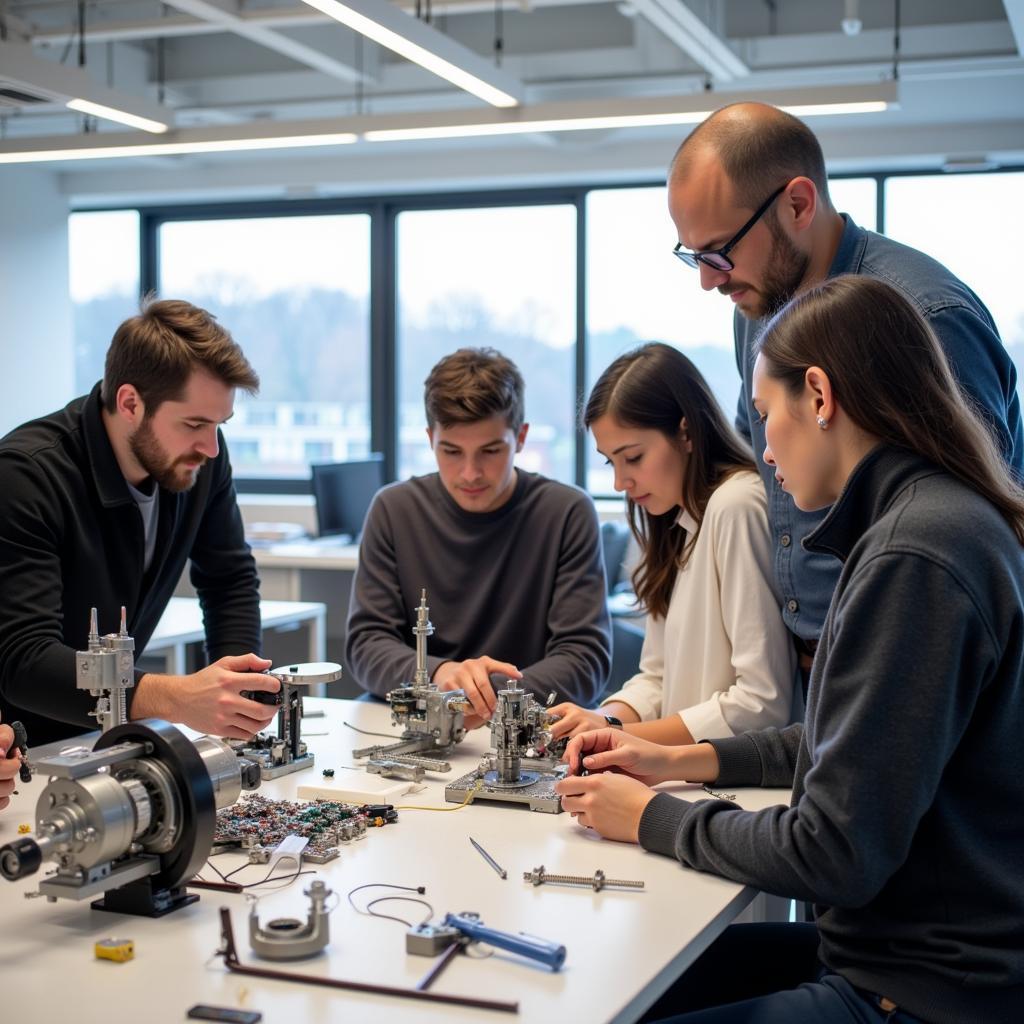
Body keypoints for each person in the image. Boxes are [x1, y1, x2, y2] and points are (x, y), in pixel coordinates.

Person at [556, 275, 1024, 1022]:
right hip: (889, 956)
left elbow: (832, 851)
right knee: (608, 981)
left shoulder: (917, 554)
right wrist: (671, 759)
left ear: (819, 396)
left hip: (925, 989)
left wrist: (649, 817)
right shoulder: (926, 522)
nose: (761, 442)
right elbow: (845, 743)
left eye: (765, 413)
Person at [668, 101, 1023, 680]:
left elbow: (967, 543)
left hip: (906, 668)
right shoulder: (759, 309)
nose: (709, 280)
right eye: (693, 257)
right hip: (811, 669)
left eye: (719, 252)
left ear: (798, 204)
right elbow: (757, 464)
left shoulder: (928, 318)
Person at [0, 299, 281, 748]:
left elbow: (228, 577)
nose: (210, 447)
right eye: (194, 423)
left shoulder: (200, 458)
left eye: (219, 425)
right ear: (130, 402)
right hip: (21, 750)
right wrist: (175, 697)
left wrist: (238, 692)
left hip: (106, 736)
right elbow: (25, 661)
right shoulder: (25, 475)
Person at [346, 347, 611, 726]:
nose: (470, 473)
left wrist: (488, 694)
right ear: (429, 439)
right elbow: (366, 644)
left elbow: (585, 659)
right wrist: (439, 675)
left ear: (520, 437)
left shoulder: (567, 513)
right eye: (451, 451)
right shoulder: (393, 508)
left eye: (490, 451)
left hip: (525, 728)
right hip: (420, 721)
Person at [548, 343, 795, 746]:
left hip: (738, 785)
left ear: (686, 432)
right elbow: (657, 677)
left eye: (634, 457)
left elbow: (761, 703)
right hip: (687, 775)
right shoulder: (676, 521)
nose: (619, 483)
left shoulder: (736, 505)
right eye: (612, 462)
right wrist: (599, 718)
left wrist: (619, 735)